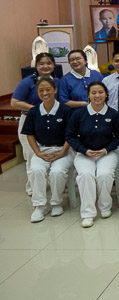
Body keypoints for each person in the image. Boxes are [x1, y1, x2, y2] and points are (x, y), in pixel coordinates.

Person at [66, 82, 119, 228]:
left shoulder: (113, 114)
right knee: (85, 175)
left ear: (106, 94)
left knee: (104, 175)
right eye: (94, 93)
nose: (97, 96)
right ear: (88, 95)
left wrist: (106, 150)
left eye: (100, 92)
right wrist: (84, 150)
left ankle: (105, 206)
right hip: (84, 153)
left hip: (107, 153)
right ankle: (88, 213)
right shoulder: (79, 114)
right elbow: (70, 136)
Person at [21, 78, 73, 222]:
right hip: (42, 149)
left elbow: (70, 135)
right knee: (36, 170)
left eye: (48, 89)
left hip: (64, 150)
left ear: (55, 90)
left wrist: (62, 152)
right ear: (37, 93)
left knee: (57, 172)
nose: (45, 93)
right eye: (41, 90)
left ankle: (56, 202)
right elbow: (29, 134)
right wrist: (38, 153)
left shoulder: (65, 110)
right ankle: (39, 206)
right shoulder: (33, 112)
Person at [11, 52, 62, 195]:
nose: (45, 66)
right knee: (32, 156)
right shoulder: (28, 81)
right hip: (29, 120)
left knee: (50, 154)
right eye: (41, 64)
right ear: (36, 65)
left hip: (51, 122)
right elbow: (14, 102)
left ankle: (51, 185)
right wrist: (35, 109)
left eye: (48, 63)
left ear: (54, 65)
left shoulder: (57, 81)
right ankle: (33, 189)